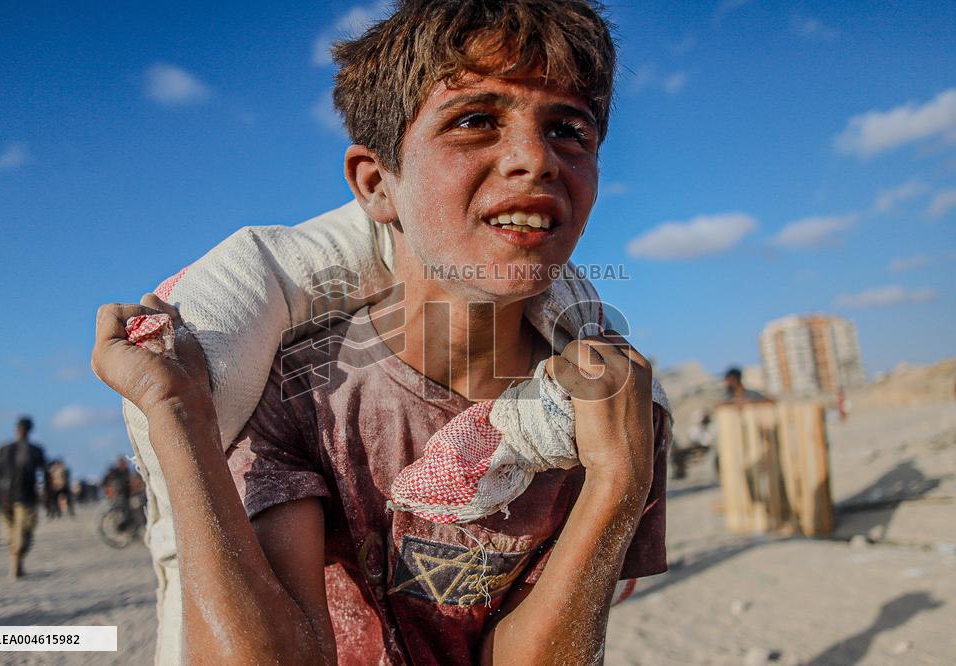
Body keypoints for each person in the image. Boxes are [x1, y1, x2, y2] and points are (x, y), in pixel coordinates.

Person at [91, 1, 671, 662]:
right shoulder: (303, 395)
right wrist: (177, 411)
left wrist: (617, 483)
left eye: (569, 129)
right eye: (476, 121)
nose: (535, 159)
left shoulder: (615, 409)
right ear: (376, 184)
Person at [0, 417, 49, 578]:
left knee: (18, 532)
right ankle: (16, 561)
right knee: (20, 533)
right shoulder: (30, 450)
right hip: (19, 498)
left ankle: (16, 561)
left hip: (12, 497)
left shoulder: (9, 449)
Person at [102, 456, 132, 528]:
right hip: (116, 496)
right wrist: (108, 492)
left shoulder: (126, 471)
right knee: (122, 509)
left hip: (126, 495)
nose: (124, 465)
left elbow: (130, 483)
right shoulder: (114, 472)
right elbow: (105, 483)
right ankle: (123, 524)